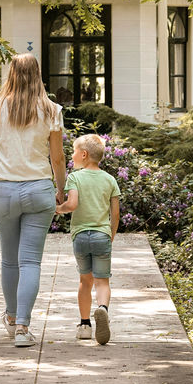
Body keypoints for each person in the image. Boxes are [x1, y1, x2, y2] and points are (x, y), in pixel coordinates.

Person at [0, 54, 67, 348]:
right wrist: (61, 189)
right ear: (38, 74)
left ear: (11, 74)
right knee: (30, 261)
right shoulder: (51, 110)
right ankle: (24, 329)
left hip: (4, 191)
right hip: (39, 190)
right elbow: (57, 157)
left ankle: (12, 317)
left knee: (9, 260)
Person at [55, 134, 120, 345]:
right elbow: (116, 214)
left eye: (74, 151)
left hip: (81, 237)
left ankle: (84, 326)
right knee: (102, 281)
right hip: (102, 235)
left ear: (84, 155)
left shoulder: (75, 177)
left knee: (85, 281)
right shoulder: (110, 180)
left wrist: (57, 209)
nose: (72, 155)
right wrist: (110, 235)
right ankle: (102, 309)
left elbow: (72, 204)